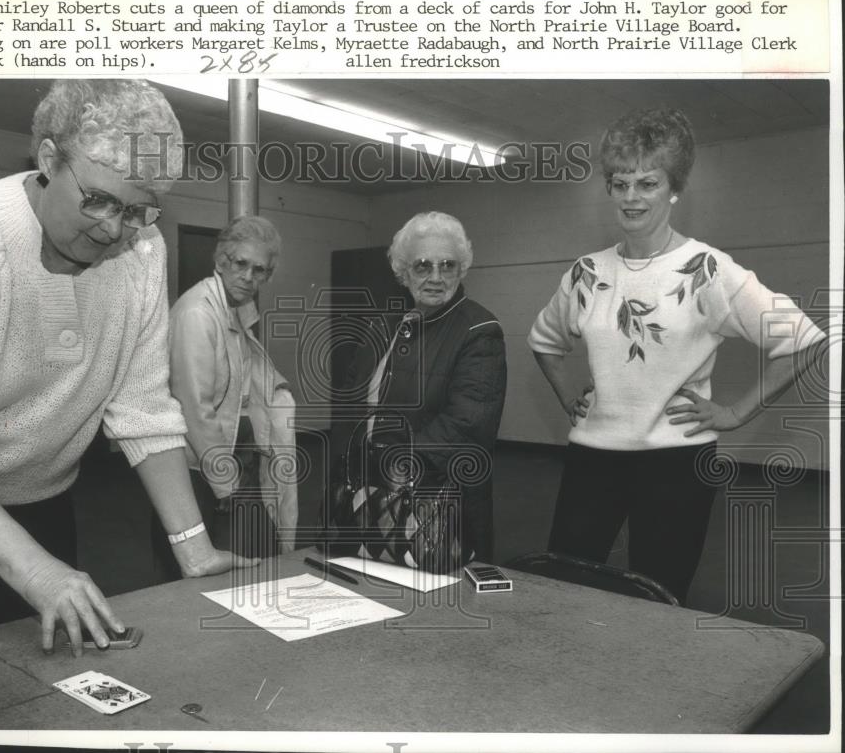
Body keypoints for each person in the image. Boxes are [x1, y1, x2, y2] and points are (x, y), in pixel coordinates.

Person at [0, 79, 256, 657]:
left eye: (138, 210)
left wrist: (193, 544)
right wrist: (35, 572)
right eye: (98, 200)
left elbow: (143, 411)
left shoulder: (142, 253)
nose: (113, 229)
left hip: (35, 494)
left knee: (44, 672)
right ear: (48, 160)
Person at [528, 107, 826, 605]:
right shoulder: (585, 272)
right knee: (566, 587)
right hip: (591, 460)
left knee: (659, 596)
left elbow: (801, 340)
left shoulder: (706, 269)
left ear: (674, 189)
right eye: (619, 183)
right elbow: (544, 341)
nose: (631, 197)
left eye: (647, 183)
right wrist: (568, 399)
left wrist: (734, 412)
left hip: (677, 464)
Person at [333, 211, 508, 562]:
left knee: (435, 604)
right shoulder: (384, 326)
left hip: (437, 506)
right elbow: (350, 404)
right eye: (423, 266)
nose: (436, 277)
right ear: (403, 272)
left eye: (448, 266)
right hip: (370, 494)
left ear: (462, 270)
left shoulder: (479, 330)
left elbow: (468, 423)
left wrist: (395, 462)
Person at [160, 216, 297, 577]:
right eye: (240, 264)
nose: (249, 277)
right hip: (198, 466)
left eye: (260, 270)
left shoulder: (234, 311)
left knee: (255, 555)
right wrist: (227, 484)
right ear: (221, 261)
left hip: (228, 456)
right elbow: (195, 408)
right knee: (206, 573)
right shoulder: (198, 314)